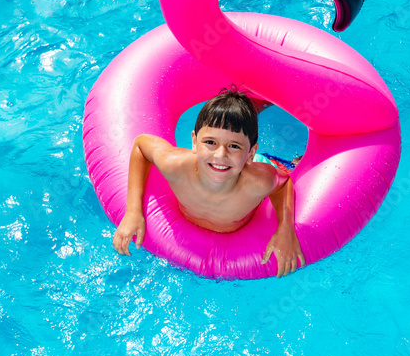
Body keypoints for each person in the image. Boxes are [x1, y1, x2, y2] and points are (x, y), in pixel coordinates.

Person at [112, 87, 305, 277]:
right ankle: (253, 102)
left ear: (251, 152)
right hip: (237, 165)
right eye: (210, 142)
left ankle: (267, 98)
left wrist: (285, 229)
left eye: (234, 146)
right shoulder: (176, 166)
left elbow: (284, 182)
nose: (220, 155)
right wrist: (133, 211)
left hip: (261, 164)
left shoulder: (256, 182)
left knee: (296, 165)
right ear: (194, 142)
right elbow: (141, 144)